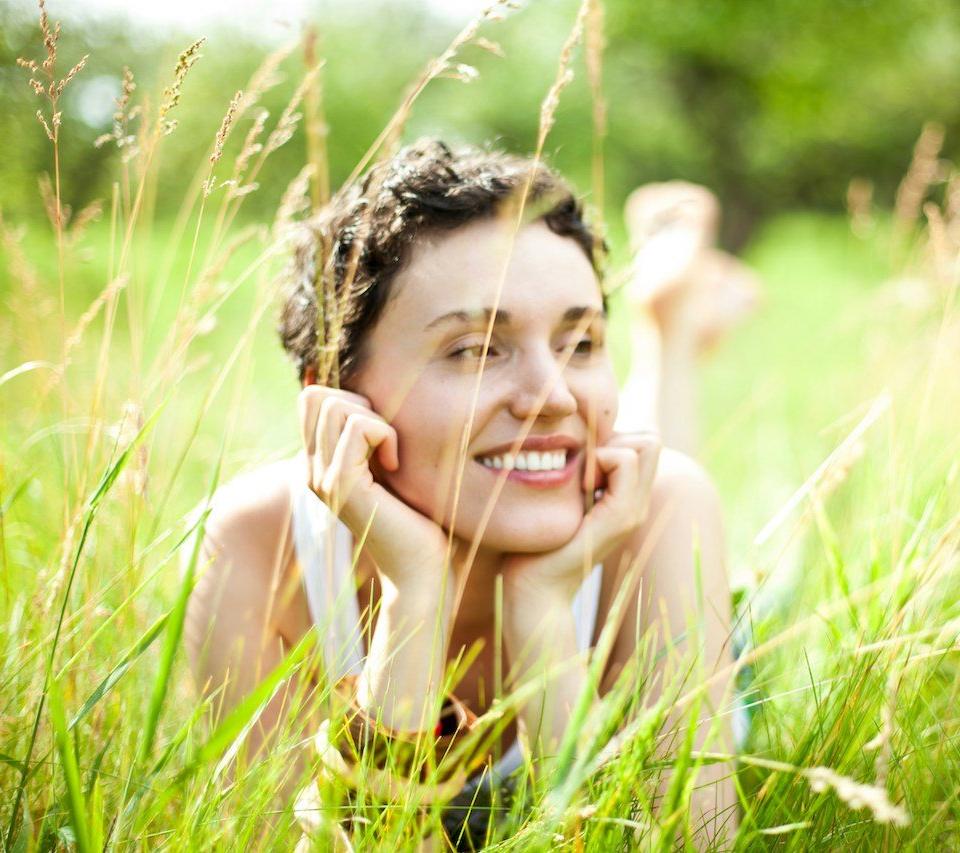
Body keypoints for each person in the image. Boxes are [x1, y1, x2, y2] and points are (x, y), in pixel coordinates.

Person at [184, 140, 755, 848]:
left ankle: (667, 330)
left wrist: (545, 610)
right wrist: (413, 596)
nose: (552, 395)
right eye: (477, 349)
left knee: (660, 466)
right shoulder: (255, 546)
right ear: (336, 395)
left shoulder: (662, 508)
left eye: (582, 343)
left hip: (661, 567)